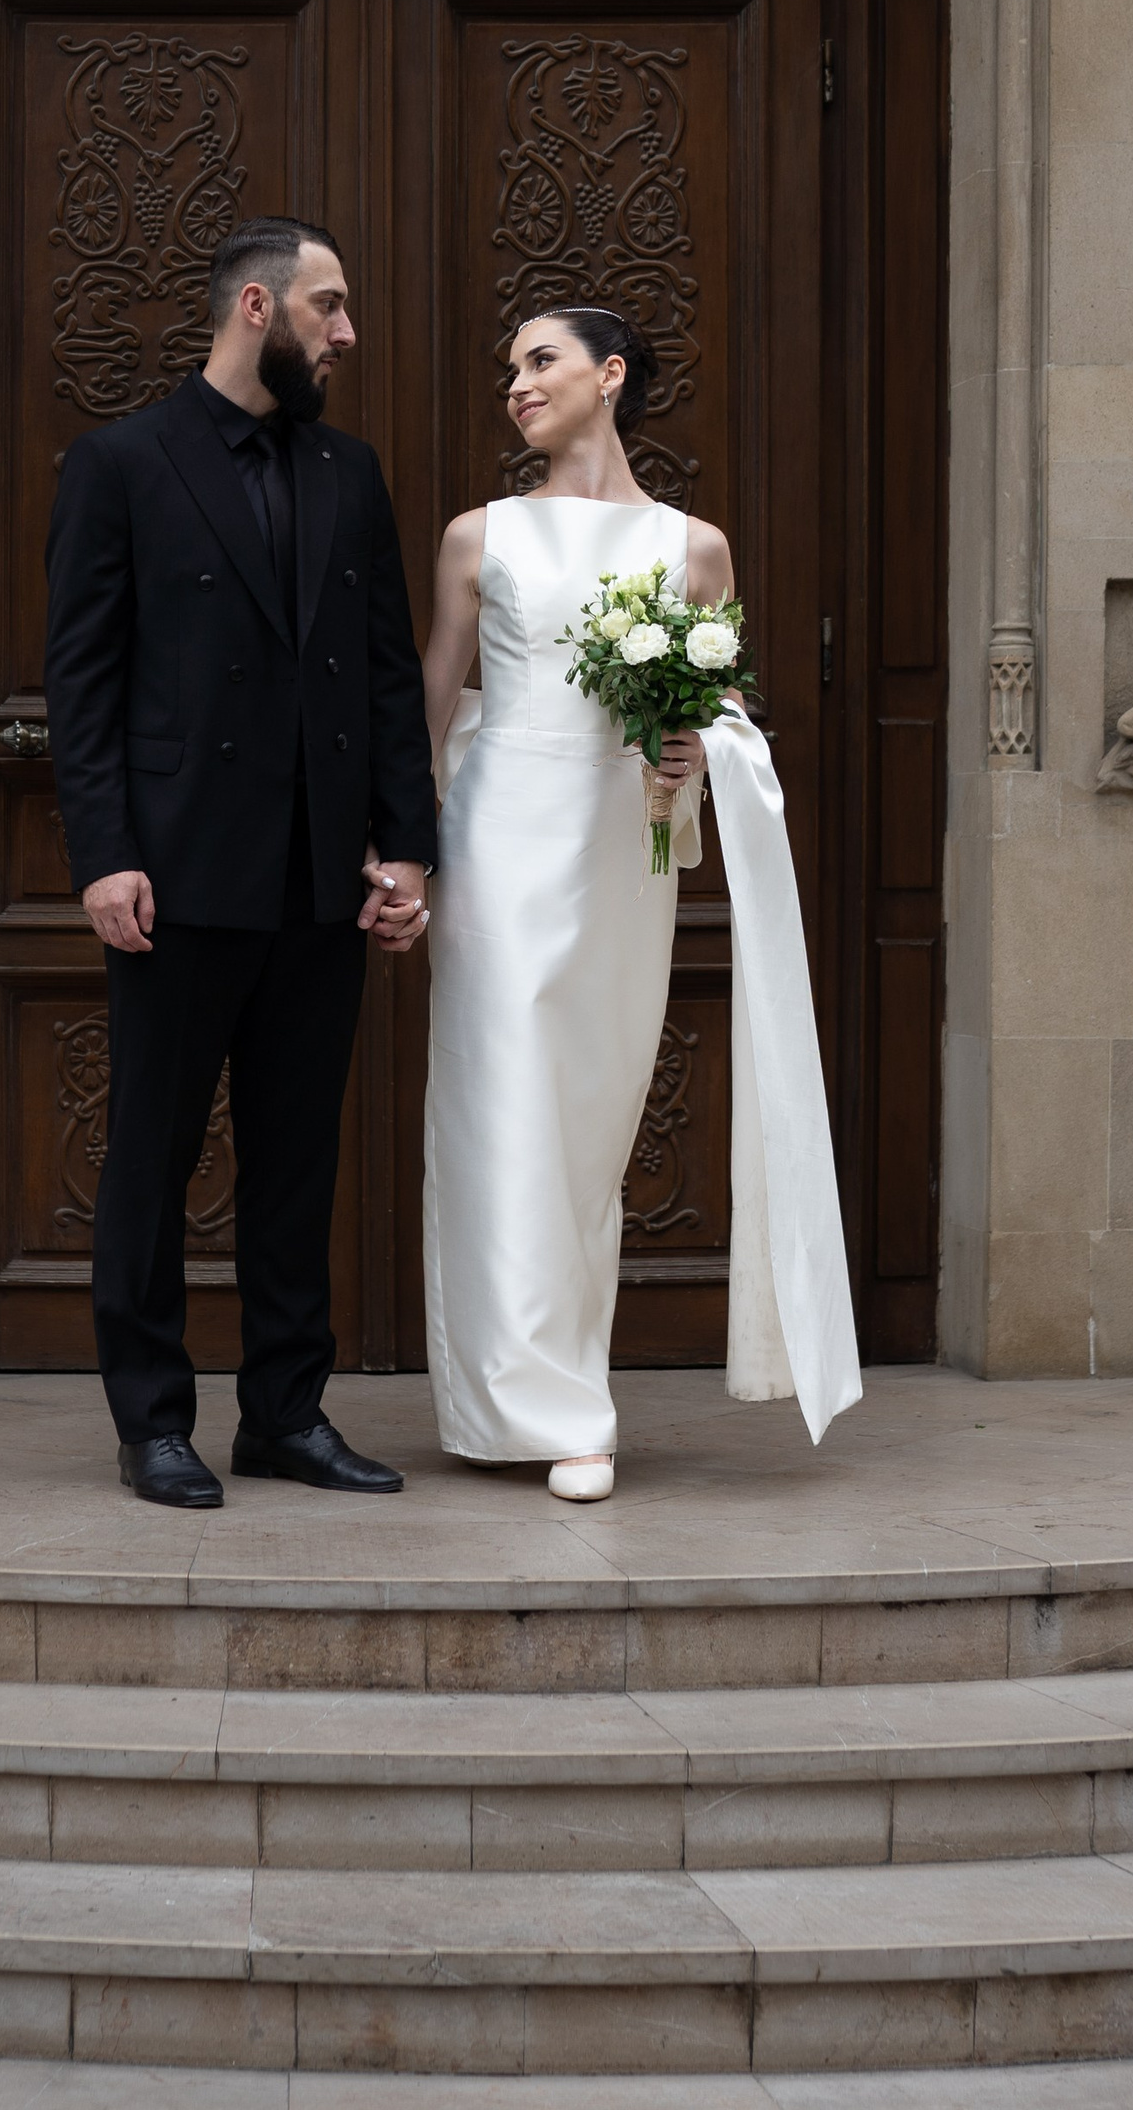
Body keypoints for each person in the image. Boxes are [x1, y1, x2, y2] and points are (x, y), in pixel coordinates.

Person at [417, 308, 860, 1502]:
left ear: (608, 375)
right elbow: (432, 699)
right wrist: (400, 856)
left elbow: (721, 711)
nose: (517, 385)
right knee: (500, 1102)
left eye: (540, 361)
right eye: (509, 368)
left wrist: (696, 746)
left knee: (591, 1119)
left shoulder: (693, 548)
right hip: (498, 840)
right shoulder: (478, 534)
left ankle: (560, 1382)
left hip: (622, 852)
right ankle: (545, 1410)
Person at [44, 217, 436, 1512]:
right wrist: (104, 854)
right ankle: (153, 1420)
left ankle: (285, 1412)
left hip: (318, 878)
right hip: (177, 872)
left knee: (296, 1158)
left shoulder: (348, 470)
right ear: (257, 306)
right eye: (330, 305)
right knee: (151, 1157)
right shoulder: (121, 462)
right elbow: (82, 681)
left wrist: (406, 846)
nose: (347, 331)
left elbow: (387, 674)